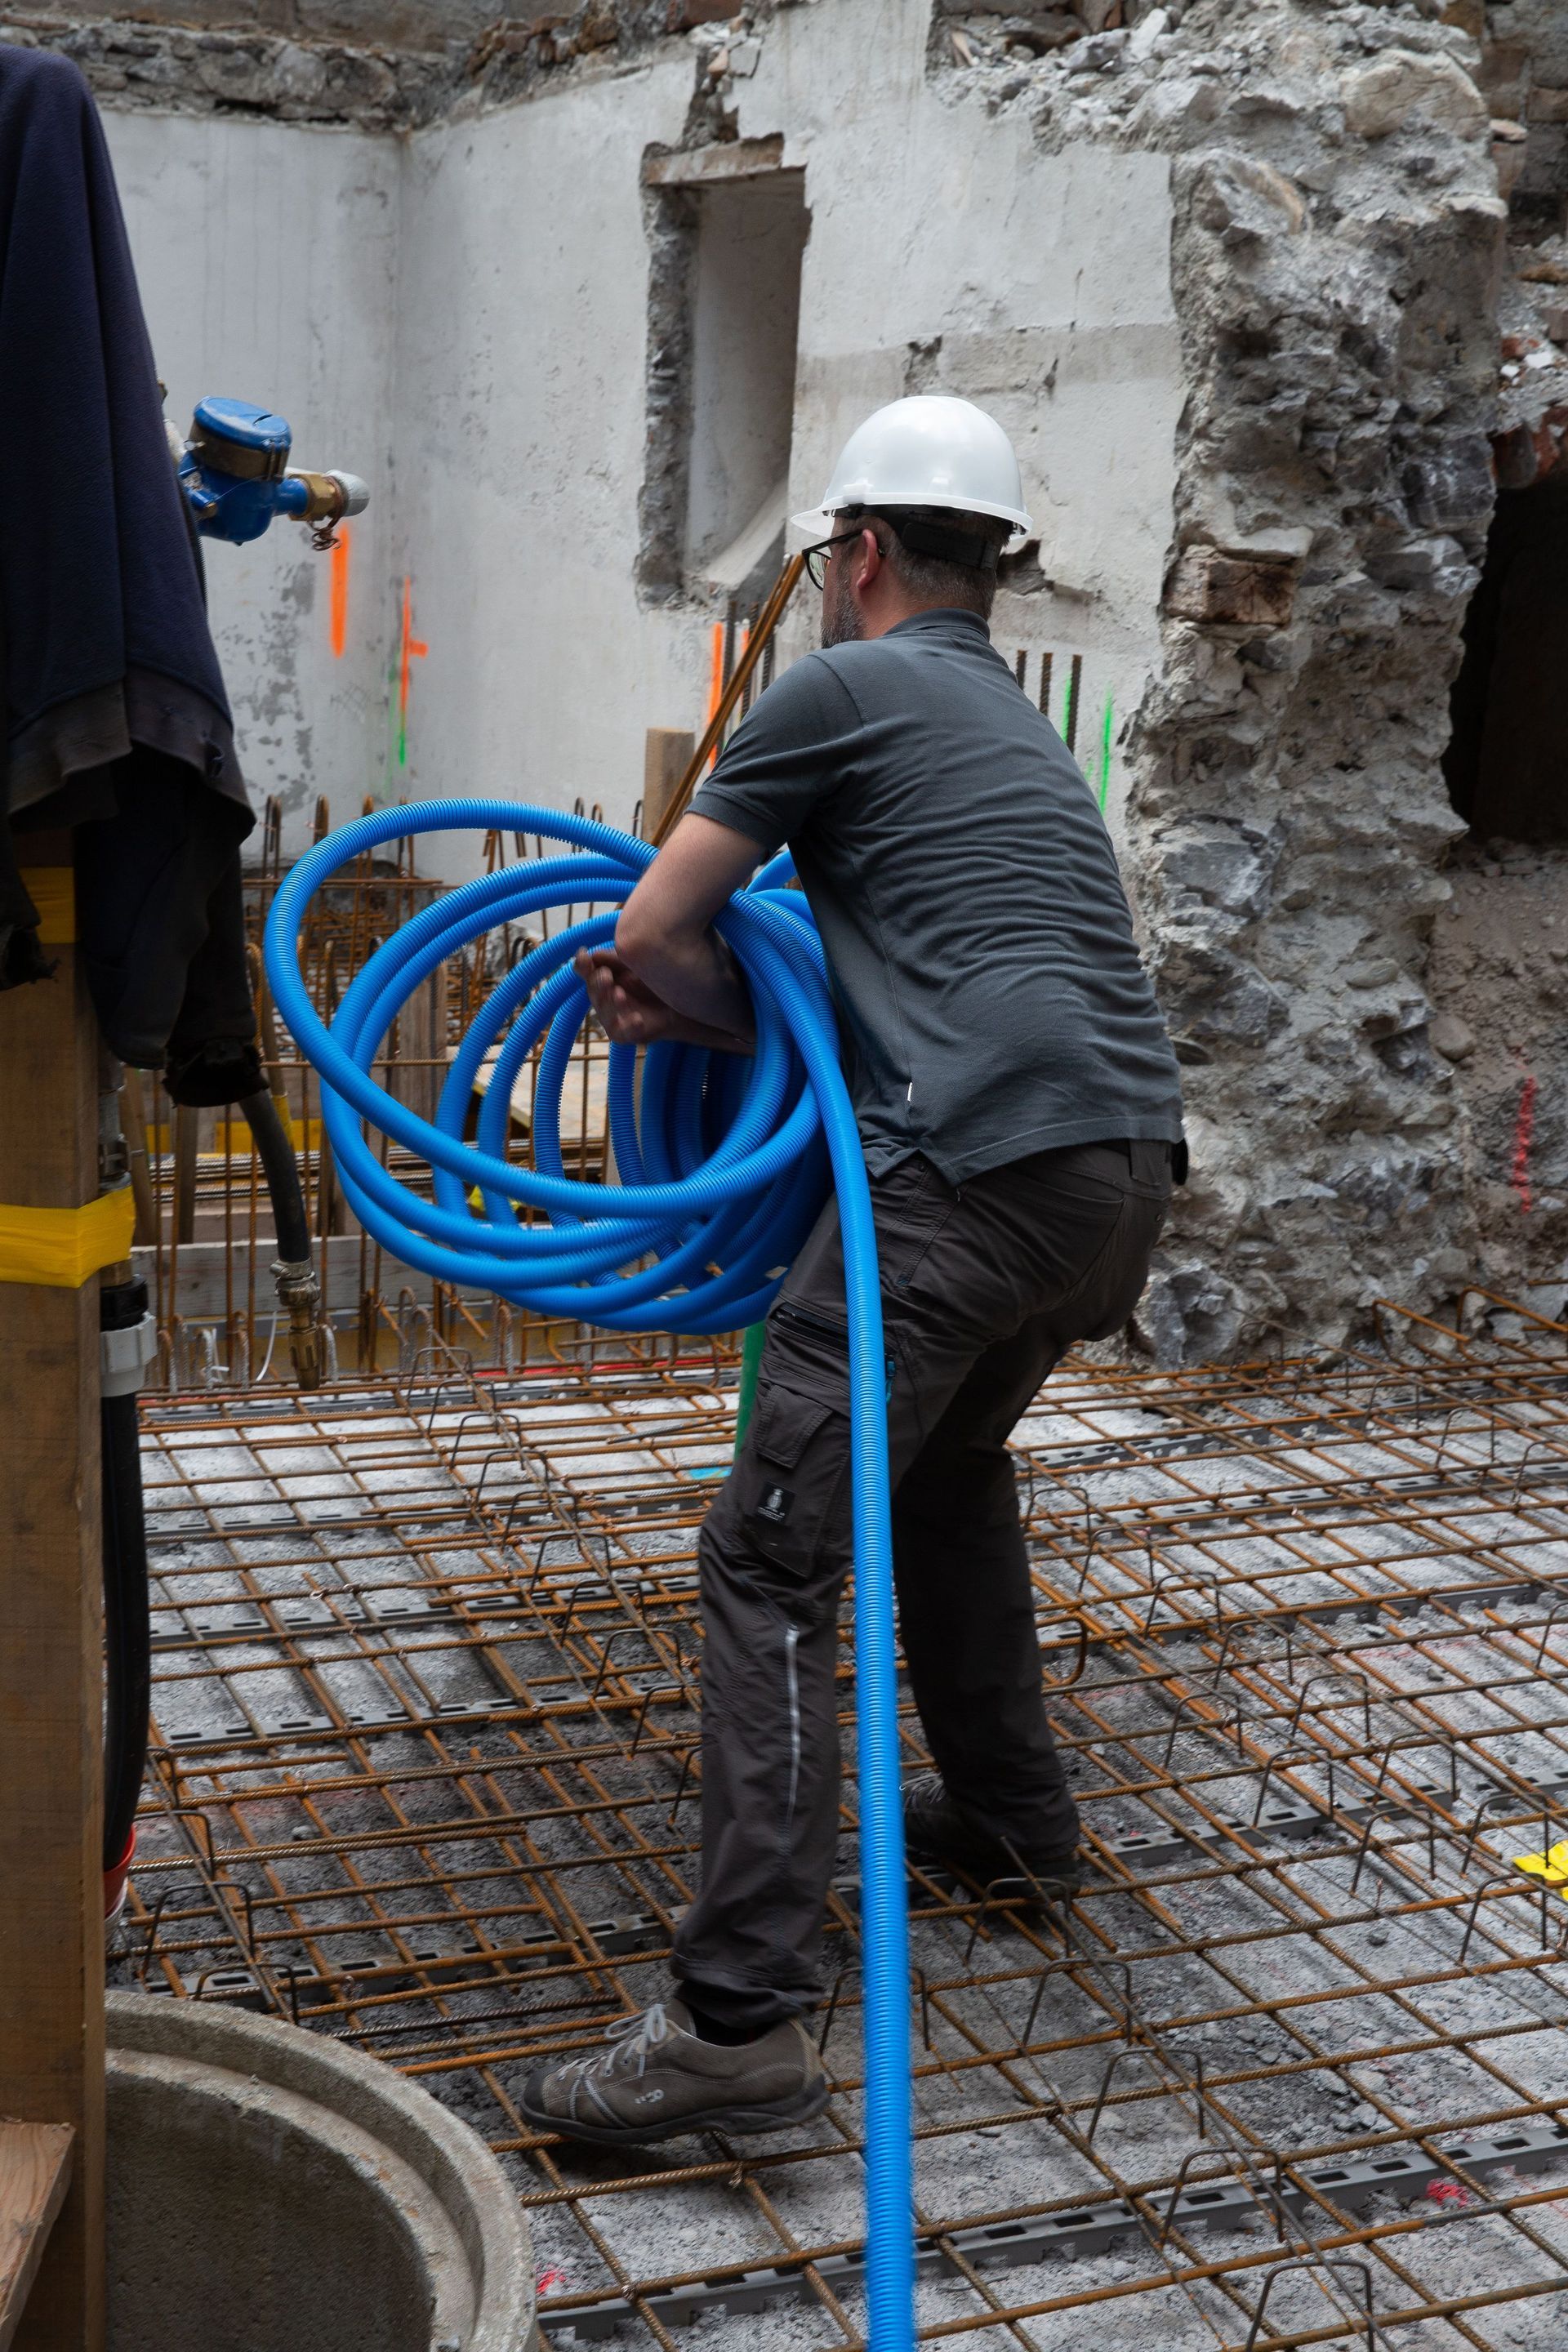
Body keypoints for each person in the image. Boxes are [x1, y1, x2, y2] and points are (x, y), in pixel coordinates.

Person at [520, 394, 1185, 2146]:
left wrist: (700, 1007)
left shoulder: (834, 688)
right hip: (1119, 1176)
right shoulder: (1019, 731)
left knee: (769, 1557)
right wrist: (765, 1015)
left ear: (865, 551)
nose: (822, 586)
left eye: (826, 558)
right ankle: (1019, 1829)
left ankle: (735, 2020)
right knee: (949, 1483)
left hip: (962, 1180)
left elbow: (652, 930)